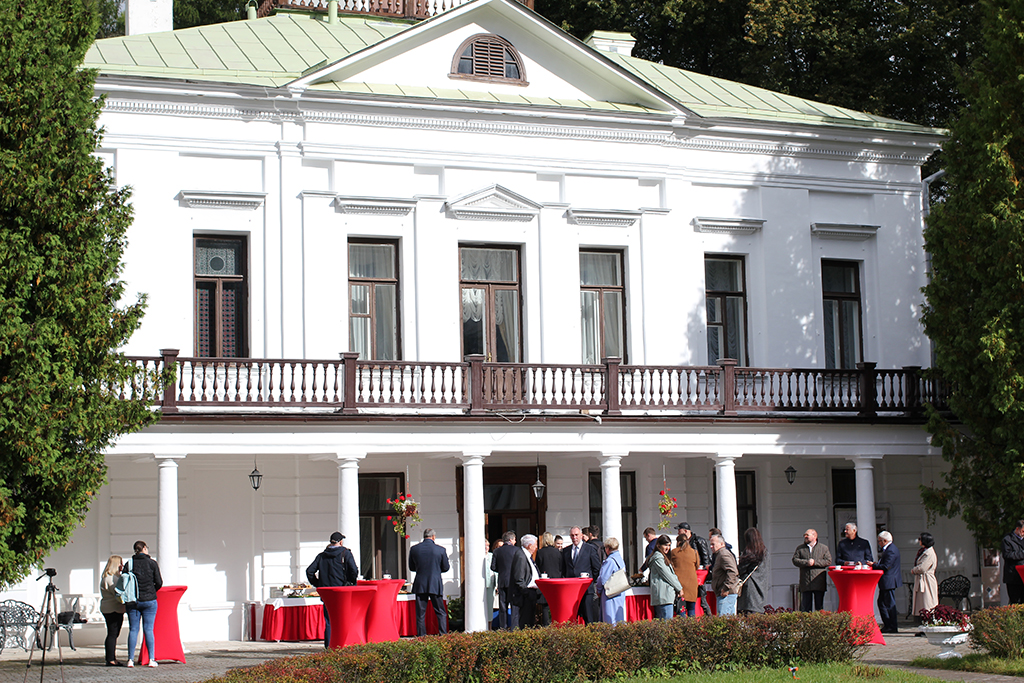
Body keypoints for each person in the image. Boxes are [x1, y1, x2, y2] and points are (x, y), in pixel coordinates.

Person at [306, 531, 358, 647]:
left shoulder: (322, 556)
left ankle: (329, 647)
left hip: (327, 592)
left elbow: (309, 571)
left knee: (329, 620)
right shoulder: (346, 553)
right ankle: (344, 645)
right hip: (342, 591)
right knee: (344, 619)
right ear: (340, 542)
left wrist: (318, 584)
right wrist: (351, 582)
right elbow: (353, 570)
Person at [124, 540, 162, 668]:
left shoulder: (129, 564)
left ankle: (130, 660)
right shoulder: (152, 563)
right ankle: (151, 659)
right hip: (149, 600)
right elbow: (159, 582)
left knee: (133, 629)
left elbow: (124, 582)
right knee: (148, 629)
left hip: (133, 601)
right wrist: (152, 591)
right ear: (144, 548)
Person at [408, 528, 450, 636]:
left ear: (424, 536)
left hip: (421, 583)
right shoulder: (440, 550)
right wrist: (436, 570)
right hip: (435, 583)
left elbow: (411, 567)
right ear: (433, 537)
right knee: (440, 612)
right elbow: (446, 567)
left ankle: (421, 637)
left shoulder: (414, 549)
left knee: (420, 613)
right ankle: (443, 635)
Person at [562, 525, 602, 623]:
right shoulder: (566, 551)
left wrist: (590, 581)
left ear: (581, 535)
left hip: (586, 590)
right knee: (571, 619)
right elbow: (563, 570)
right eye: (572, 535)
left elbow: (596, 568)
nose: (574, 537)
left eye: (576, 535)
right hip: (571, 590)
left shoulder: (590, 549)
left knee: (588, 618)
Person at [792, 528, 832, 612]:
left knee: (819, 607)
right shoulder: (800, 548)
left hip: (819, 581)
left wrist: (815, 562)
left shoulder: (823, 548)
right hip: (805, 582)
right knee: (806, 608)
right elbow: (795, 560)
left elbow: (828, 561)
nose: (805, 537)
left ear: (814, 536)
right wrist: (806, 562)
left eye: (807, 535)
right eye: (804, 535)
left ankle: (819, 620)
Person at [676, 522, 711, 615]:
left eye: (679, 531)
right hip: (688, 575)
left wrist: (704, 572)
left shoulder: (698, 541)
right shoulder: (681, 544)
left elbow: (705, 558)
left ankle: (708, 617)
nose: (678, 533)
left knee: (702, 600)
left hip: (698, 574)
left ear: (685, 531)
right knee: (687, 604)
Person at [99, 555, 126, 667]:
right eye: (120, 563)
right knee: (113, 633)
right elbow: (117, 593)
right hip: (114, 608)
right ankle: (110, 659)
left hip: (107, 607)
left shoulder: (106, 577)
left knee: (112, 633)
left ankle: (110, 658)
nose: (122, 565)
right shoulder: (112, 578)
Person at [874, 530, 902, 633]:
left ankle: (892, 626)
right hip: (886, 581)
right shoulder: (889, 549)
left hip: (889, 581)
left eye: (879, 541)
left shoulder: (891, 550)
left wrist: (874, 565)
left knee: (889, 604)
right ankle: (887, 624)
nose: (879, 543)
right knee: (881, 603)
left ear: (884, 541)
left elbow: (886, 566)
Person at [510, 534, 541, 628]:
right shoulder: (521, 556)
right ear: (529, 546)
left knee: (530, 621)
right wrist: (526, 592)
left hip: (530, 593)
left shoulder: (527, 556)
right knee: (525, 622)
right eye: (535, 545)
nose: (536, 547)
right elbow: (519, 578)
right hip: (525, 595)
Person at [648, 535, 683, 619]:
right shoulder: (658, 558)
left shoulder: (662, 557)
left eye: (669, 545)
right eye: (665, 545)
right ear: (658, 545)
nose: (668, 548)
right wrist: (679, 588)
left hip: (664, 596)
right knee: (667, 623)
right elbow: (668, 575)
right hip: (664, 596)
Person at [736, 527, 769, 614]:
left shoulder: (749, 552)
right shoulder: (765, 552)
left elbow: (741, 569)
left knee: (747, 615)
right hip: (761, 587)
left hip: (750, 588)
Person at [490, 530, 518, 629]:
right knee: (514, 606)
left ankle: (503, 628)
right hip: (513, 582)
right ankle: (514, 628)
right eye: (514, 540)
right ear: (510, 540)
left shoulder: (497, 551)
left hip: (502, 581)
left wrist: (502, 570)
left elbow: (493, 567)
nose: (515, 541)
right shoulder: (516, 550)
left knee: (503, 607)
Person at [910, 532, 938, 629]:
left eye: (920, 539)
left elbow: (923, 568)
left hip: (926, 581)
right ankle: (923, 626)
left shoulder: (929, 553)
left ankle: (929, 625)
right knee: (921, 604)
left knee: (927, 603)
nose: (919, 541)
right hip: (922, 580)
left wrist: (914, 570)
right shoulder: (924, 551)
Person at [597, 537, 627, 624]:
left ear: (608, 548)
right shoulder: (620, 559)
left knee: (610, 618)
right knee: (618, 618)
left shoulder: (610, 561)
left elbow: (603, 578)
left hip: (610, 593)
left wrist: (598, 590)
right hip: (620, 591)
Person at [668, 533, 699, 617]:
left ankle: (682, 625)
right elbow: (697, 566)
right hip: (692, 585)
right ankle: (692, 625)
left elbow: (671, 566)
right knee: (691, 610)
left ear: (678, 542)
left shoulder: (674, 552)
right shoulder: (694, 552)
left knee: (681, 609)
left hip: (680, 585)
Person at [535, 532, 562, 625]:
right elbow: (561, 567)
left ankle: (546, 626)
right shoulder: (557, 552)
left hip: (545, 581)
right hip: (556, 581)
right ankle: (556, 624)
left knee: (545, 606)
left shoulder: (540, 552)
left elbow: (537, 567)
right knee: (555, 605)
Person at [710, 533, 739, 615]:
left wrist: (726, 588)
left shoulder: (723, 554)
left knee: (723, 619)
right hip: (724, 593)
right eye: (710, 544)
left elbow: (733, 572)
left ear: (722, 544)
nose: (711, 547)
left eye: (713, 544)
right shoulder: (719, 554)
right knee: (728, 620)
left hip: (726, 594)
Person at [1002, 520, 1024, 605]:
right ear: (1017, 529)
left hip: (1023, 576)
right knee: (1015, 602)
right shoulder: (1007, 540)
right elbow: (1007, 555)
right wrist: (1022, 554)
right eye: (1023, 531)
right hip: (1014, 576)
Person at [484, 539, 497, 629]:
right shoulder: (478, 556)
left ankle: (490, 628)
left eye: (488, 546)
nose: (486, 548)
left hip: (491, 584)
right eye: (484, 546)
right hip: (482, 585)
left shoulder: (491, 556)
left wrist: (497, 584)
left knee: (490, 606)